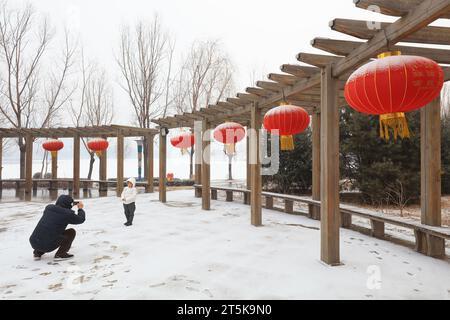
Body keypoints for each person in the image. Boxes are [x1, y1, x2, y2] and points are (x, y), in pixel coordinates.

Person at [29, 195, 85, 260]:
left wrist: (72, 203)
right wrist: (80, 209)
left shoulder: (49, 208)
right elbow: (81, 219)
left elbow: (61, 208)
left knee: (48, 230)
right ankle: (61, 254)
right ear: (69, 204)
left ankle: (38, 252)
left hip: (34, 242)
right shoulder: (67, 214)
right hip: (47, 246)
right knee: (71, 232)